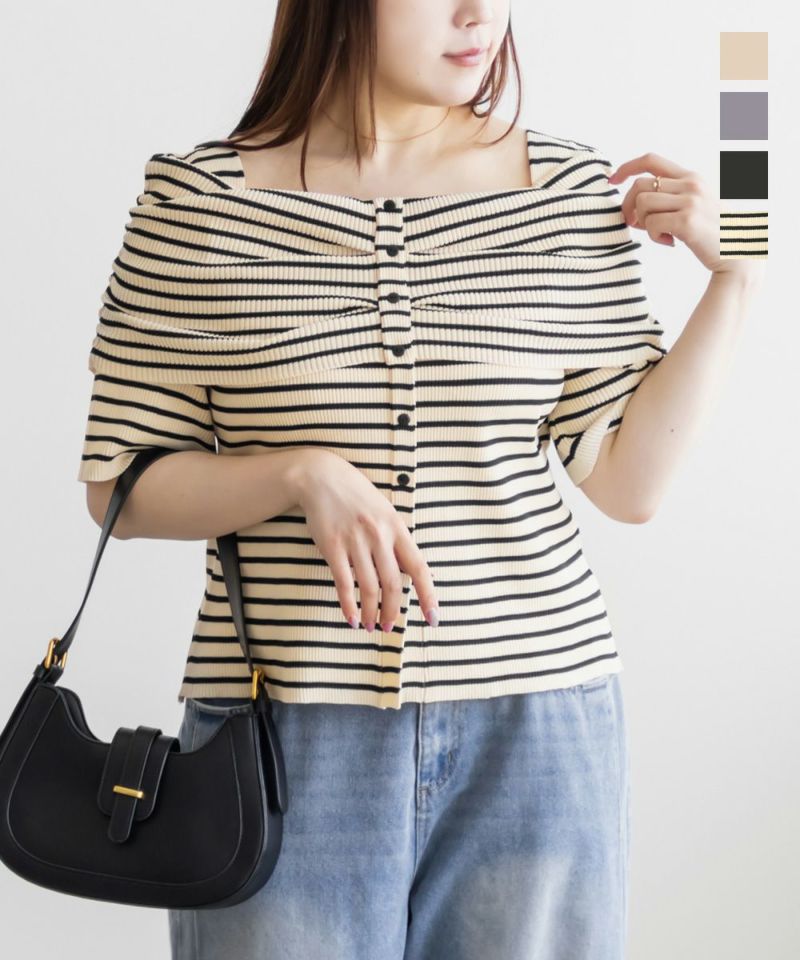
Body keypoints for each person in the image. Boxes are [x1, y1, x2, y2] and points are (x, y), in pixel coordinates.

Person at [76, 2, 764, 958]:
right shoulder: (196, 203)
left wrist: (735, 277)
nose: (479, 14)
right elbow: (120, 483)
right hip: (281, 731)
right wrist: (298, 475)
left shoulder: (569, 192)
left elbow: (626, 482)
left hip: (537, 731)